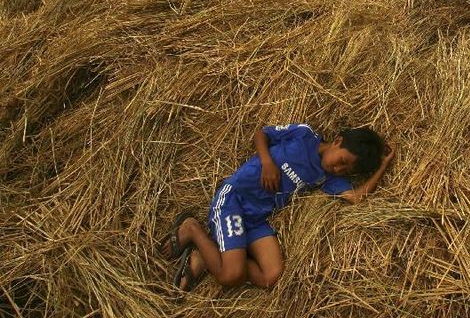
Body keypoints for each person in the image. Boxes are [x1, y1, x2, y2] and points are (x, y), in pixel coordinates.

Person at [159, 123, 393, 290]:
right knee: (231, 275)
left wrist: (383, 166)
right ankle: (192, 228)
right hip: (235, 200)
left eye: (346, 170)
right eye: (342, 161)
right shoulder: (304, 135)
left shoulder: (327, 178)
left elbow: (356, 197)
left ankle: (209, 254)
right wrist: (267, 162)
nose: (338, 169)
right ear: (338, 141)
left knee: (271, 277)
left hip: (257, 219)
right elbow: (261, 134)